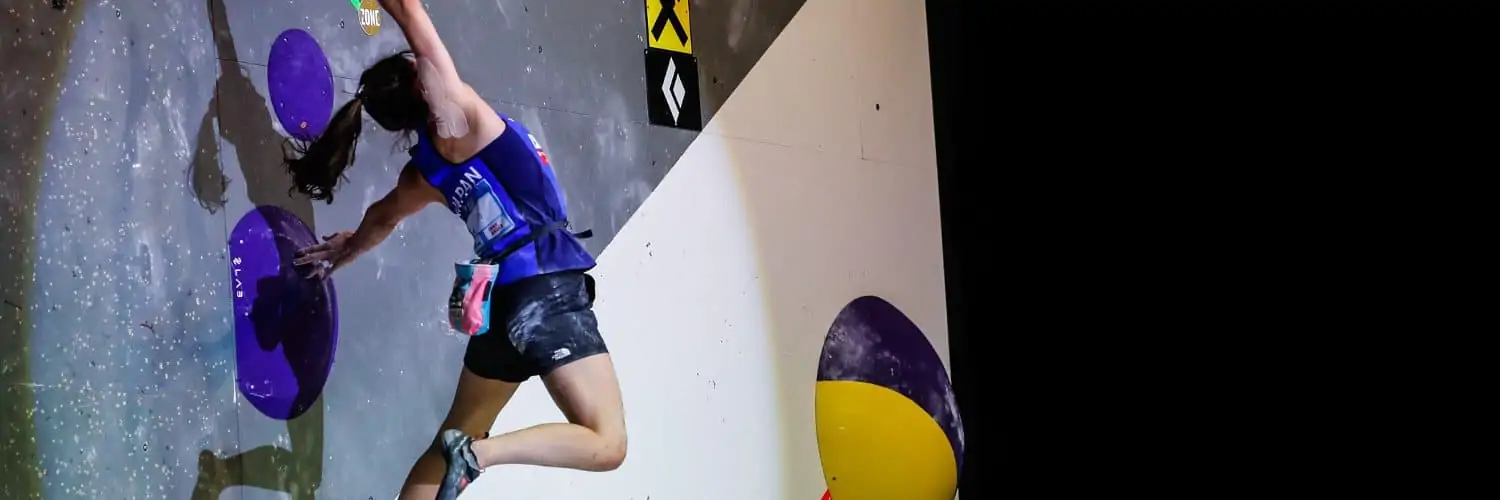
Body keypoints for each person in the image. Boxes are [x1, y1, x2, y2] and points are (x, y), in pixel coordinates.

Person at [286, 1, 626, 498]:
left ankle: (464, 450)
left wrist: (347, 248)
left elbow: (382, 218)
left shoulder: (423, 171)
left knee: (452, 434)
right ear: (419, 80)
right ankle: (479, 456)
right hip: (544, 290)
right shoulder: (459, 119)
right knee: (607, 442)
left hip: (501, 304)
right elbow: (409, 11)